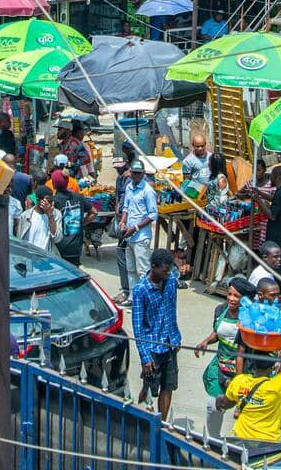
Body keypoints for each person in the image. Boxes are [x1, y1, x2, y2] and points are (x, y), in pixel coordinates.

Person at [132, 250, 188, 418]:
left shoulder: (170, 281)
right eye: (165, 270)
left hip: (170, 343)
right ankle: (141, 422)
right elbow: (138, 327)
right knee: (149, 388)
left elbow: (172, 309)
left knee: (168, 386)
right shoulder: (141, 290)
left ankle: (161, 425)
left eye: (169, 269)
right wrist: (145, 356)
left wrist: (176, 336)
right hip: (152, 349)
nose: (168, 273)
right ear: (154, 267)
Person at [194, 278, 248, 437]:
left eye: (236, 296)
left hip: (242, 368)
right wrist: (206, 342)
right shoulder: (220, 310)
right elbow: (217, 333)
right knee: (213, 406)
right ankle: (213, 440)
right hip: (221, 366)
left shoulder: (248, 317)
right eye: (230, 294)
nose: (231, 299)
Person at [219, 351, 281, 456]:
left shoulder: (239, 381)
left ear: (253, 365)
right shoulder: (276, 385)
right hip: (267, 444)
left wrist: (219, 400)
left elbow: (226, 404)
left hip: (240, 441)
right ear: (271, 368)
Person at [116, 162, 158, 304]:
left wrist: (135, 228)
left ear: (143, 173)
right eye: (134, 172)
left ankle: (145, 299)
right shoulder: (129, 187)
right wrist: (123, 221)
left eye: (139, 173)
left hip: (141, 236)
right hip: (129, 237)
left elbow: (153, 215)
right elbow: (126, 207)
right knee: (131, 269)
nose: (136, 175)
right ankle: (133, 297)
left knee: (143, 271)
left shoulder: (148, 191)